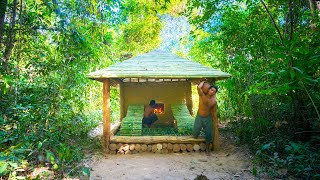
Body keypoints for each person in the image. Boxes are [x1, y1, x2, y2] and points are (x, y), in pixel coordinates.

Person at [193, 81, 218, 155]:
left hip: (208, 118)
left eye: (214, 91)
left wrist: (216, 122)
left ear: (215, 93)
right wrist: (203, 81)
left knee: (209, 134)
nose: (212, 92)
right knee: (195, 134)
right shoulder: (202, 95)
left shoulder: (213, 101)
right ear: (208, 89)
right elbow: (198, 87)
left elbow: (214, 112)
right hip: (199, 117)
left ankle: (207, 149)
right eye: (211, 89)